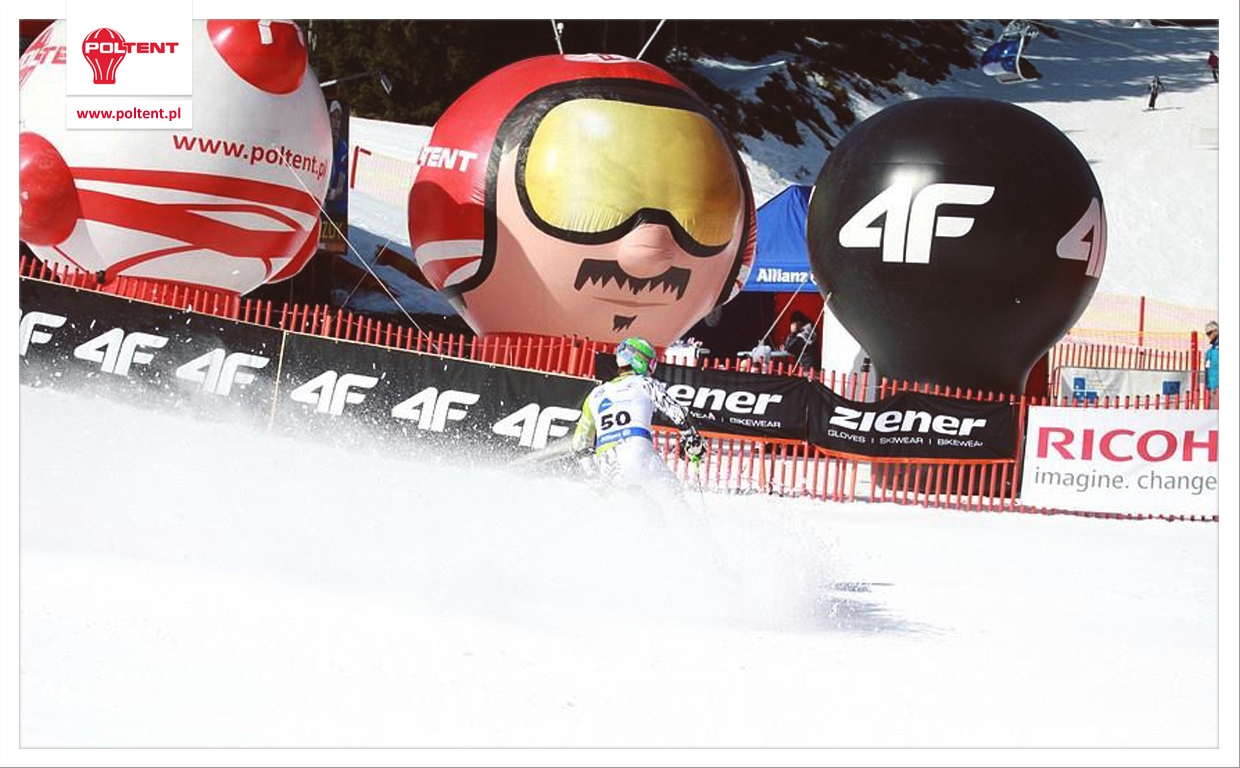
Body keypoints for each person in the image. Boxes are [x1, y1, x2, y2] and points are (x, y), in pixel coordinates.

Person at [572, 337, 706, 498]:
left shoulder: (594, 395)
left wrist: (594, 476)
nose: (652, 369)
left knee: (635, 503)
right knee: (674, 498)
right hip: (639, 455)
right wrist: (693, 443)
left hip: (608, 465)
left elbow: (579, 444)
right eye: (651, 363)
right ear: (639, 360)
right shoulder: (645, 383)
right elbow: (678, 413)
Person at [1204, 320, 1219, 407]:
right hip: (1212, 386)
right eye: (1207, 334)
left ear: (1216, 331)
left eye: (1209, 333)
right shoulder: (1212, 349)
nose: (1208, 336)